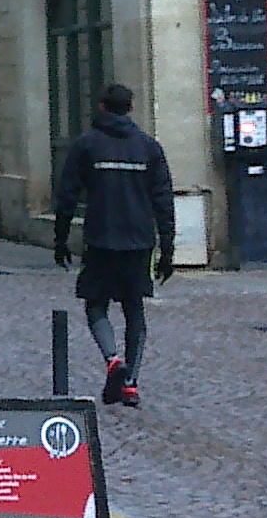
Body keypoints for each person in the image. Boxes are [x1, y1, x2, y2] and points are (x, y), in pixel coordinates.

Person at [53, 83, 176, 407]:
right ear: (131, 108)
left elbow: (67, 195)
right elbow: (163, 201)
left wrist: (60, 238)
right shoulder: (149, 147)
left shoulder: (87, 145)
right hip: (139, 241)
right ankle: (131, 383)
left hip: (101, 238)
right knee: (134, 310)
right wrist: (168, 249)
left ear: (102, 107)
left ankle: (112, 359)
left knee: (96, 305)